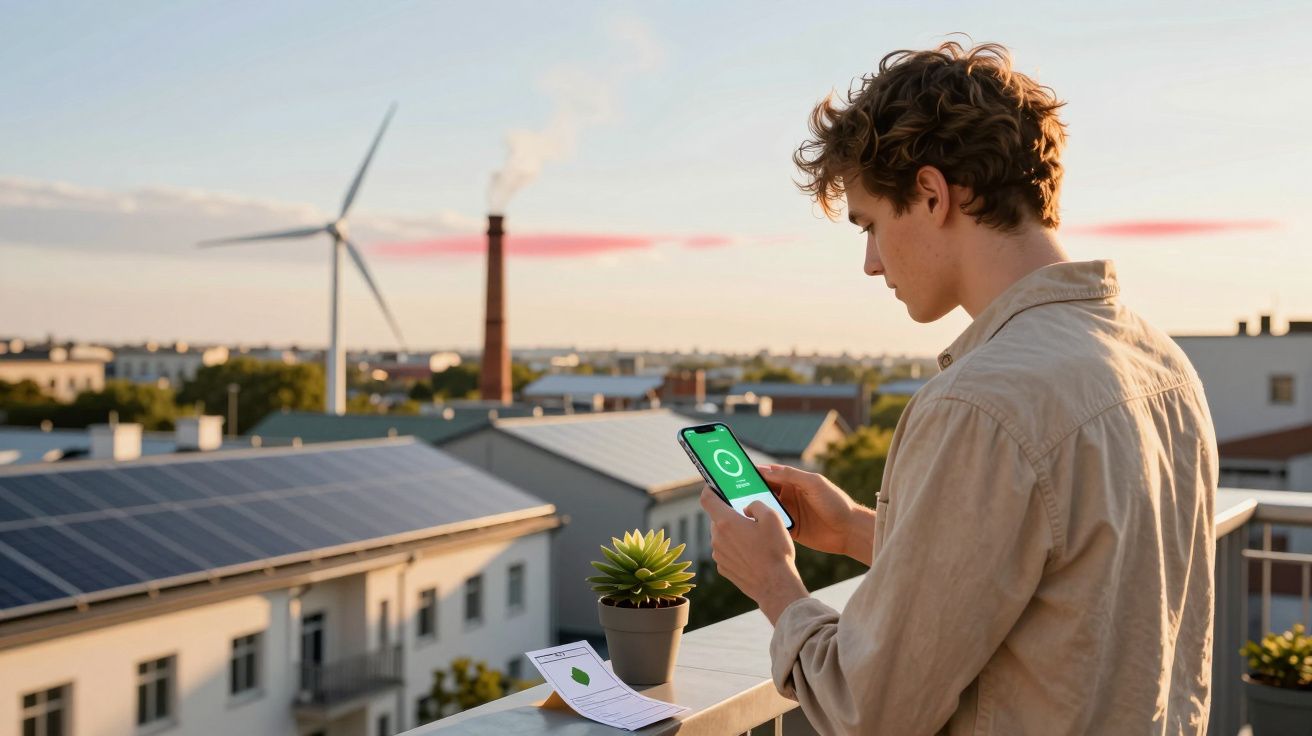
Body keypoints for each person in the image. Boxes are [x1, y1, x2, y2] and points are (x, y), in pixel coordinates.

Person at [700, 40, 1218, 735]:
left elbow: (867, 708)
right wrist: (855, 529)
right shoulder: (1161, 363)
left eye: (872, 225)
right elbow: (1065, 586)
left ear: (933, 193)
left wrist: (774, 583)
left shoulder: (980, 404)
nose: (870, 262)